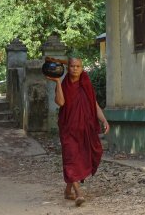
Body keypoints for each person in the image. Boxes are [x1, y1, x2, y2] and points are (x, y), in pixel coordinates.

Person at [47, 57, 110, 207]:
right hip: (68, 129)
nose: (75, 69)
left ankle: (68, 190)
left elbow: (93, 104)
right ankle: (78, 194)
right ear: (68, 68)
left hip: (84, 130)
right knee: (71, 158)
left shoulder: (86, 83)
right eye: (72, 66)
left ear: (82, 68)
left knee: (83, 157)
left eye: (78, 66)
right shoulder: (64, 84)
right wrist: (57, 82)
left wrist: (104, 120)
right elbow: (61, 102)